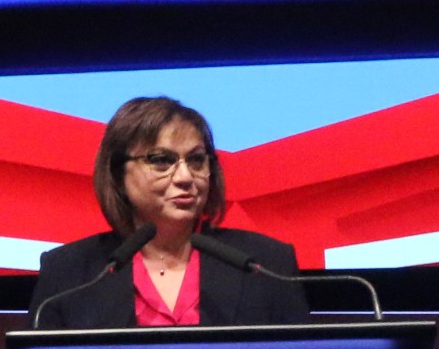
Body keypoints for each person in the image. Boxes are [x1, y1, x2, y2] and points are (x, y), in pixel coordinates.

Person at [28, 94, 308, 329]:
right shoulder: (68, 273)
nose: (185, 177)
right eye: (162, 160)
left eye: (196, 160)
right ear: (118, 174)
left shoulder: (268, 263)